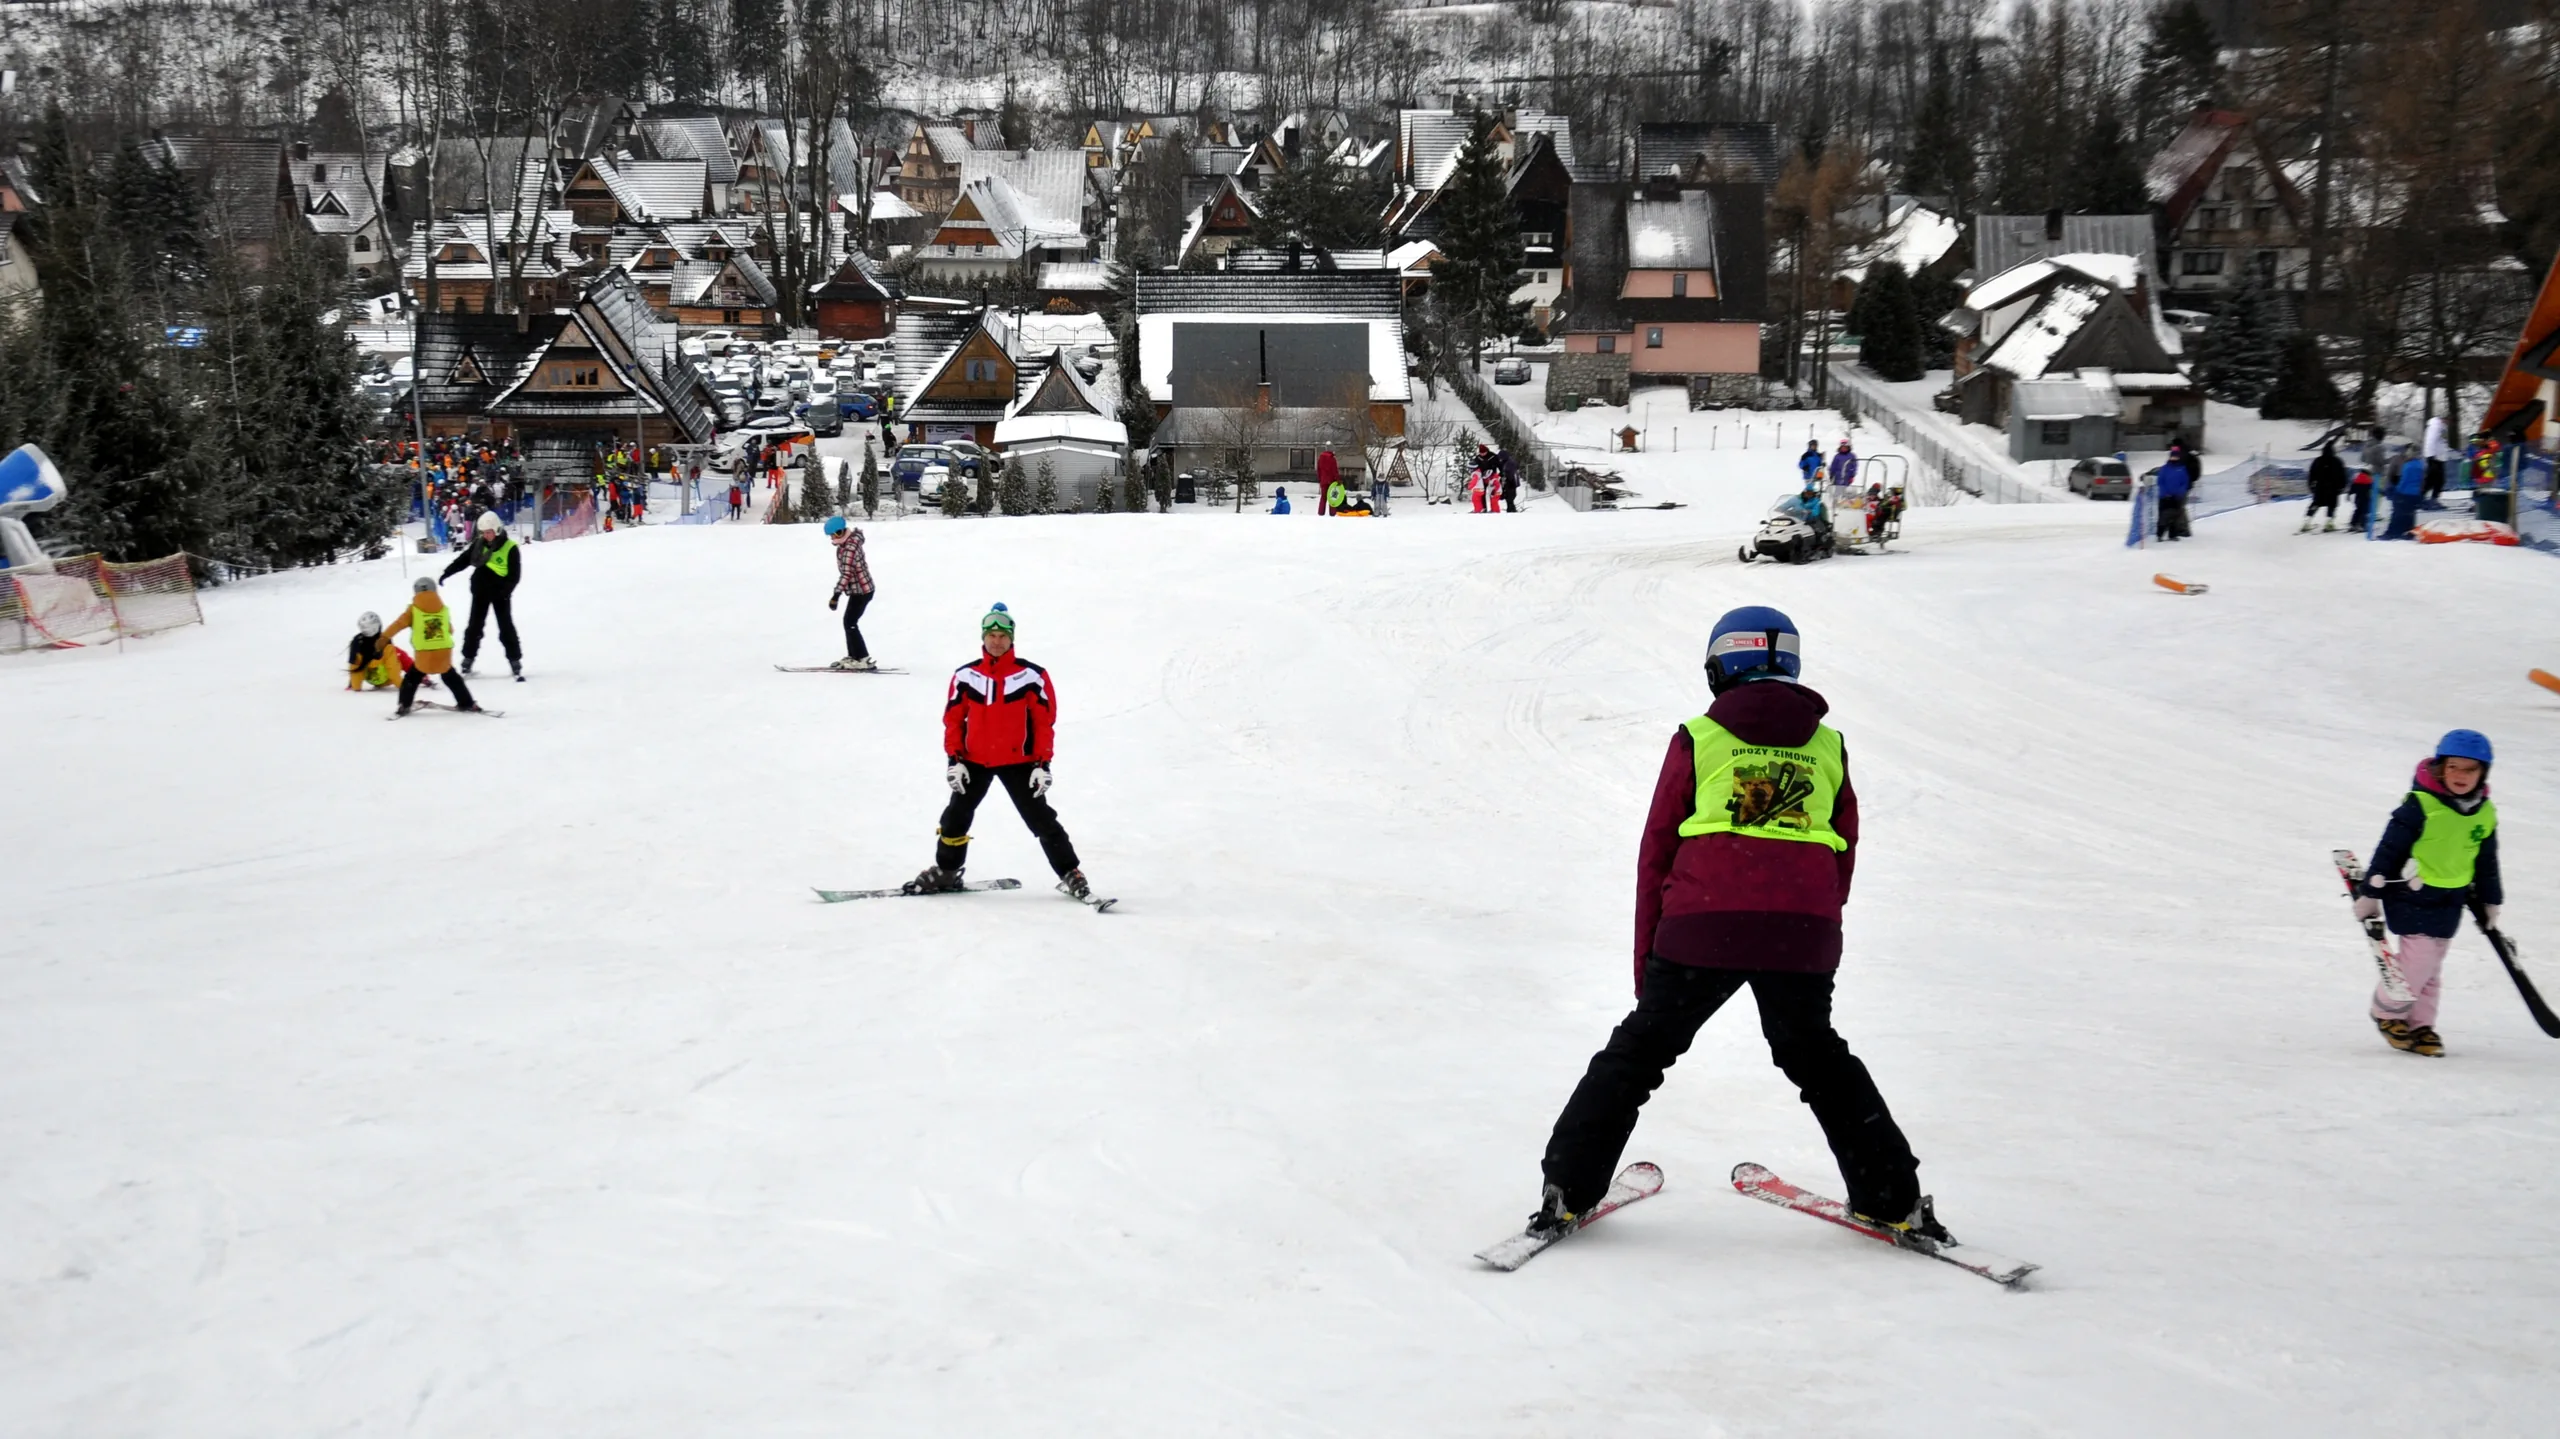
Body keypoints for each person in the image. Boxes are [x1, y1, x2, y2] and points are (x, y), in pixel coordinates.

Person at [1525, 606, 1939, 1241]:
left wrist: (1648, 962)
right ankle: (1890, 1197)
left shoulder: (1701, 736)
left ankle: (1567, 1189)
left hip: (1702, 923)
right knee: (1819, 1059)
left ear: (1723, 665)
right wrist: (1817, 925)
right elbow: (1843, 847)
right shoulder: (1829, 744)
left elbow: (1657, 849)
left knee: (1638, 1053)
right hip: (1801, 930)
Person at [905, 604, 1096, 903]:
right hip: (974, 761)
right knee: (955, 817)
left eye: (1002, 636)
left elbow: (1044, 722)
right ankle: (947, 871)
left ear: (1012, 639)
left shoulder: (1032, 676)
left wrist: (1042, 764)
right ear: (983, 637)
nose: (996, 641)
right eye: (991, 635)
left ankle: (1070, 873)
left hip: (1018, 762)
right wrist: (954, 760)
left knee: (1042, 820)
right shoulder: (966, 675)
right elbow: (953, 720)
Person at [2353, 730, 2502, 1057]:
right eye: (2454, 768)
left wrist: (2491, 899)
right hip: (2410, 892)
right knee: (2418, 960)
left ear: (2483, 773)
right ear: (2440, 767)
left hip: (2451, 898)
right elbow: (2390, 848)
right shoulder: (2420, 804)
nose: (2461, 776)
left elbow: (2486, 860)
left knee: (2432, 966)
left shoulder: (2484, 813)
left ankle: (2421, 1024)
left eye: (2470, 769)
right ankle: (2387, 1011)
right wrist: (2370, 890)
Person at [440, 510, 524, 680]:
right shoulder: (479, 544)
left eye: (489, 532)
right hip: (480, 591)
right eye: (484, 533)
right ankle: (468, 658)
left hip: (500, 594)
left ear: (497, 530)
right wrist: (446, 573)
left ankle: (514, 659)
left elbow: (514, 576)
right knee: (474, 626)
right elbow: (463, 560)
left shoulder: (510, 548)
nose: (486, 536)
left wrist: (504, 592)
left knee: (505, 626)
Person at [381, 577, 482, 715]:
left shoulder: (413, 609)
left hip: (424, 652)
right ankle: (467, 703)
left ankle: (404, 705)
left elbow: (398, 624)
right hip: (444, 650)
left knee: (412, 678)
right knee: (451, 677)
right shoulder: (442, 609)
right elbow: (450, 630)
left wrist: (384, 637)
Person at [826, 515, 876, 671]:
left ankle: (862, 657)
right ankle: (854, 656)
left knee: (850, 622)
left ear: (841, 532)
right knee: (849, 622)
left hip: (862, 590)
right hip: (860, 589)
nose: (833, 538)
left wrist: (836, 595)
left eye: (835, 534)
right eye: (831, 535)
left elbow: (846, 573)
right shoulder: (848, 543)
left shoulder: (849, 548)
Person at [344, 610, 417, 691]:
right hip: (386, 679)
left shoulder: (356, 642)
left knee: (359, 661)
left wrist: (355, 687)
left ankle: (352, 683)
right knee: (400, 654)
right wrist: (403, 686)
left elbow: (354, 666)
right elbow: (393, 670)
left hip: (370, 679)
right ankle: (420, 676)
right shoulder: (385, 642)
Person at [2304, 440, 2347, 532]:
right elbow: (2342, 475)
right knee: (2332, 505)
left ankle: (2307, 521)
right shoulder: (2337, 461)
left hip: (2320, 487)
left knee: (2316, 503)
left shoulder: (2317, 461)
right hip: (2333, 488)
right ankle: (2329, 523)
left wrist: (2311, 486)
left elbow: (2311, 475)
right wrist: (2342, 486)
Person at [2383, 448, 2425, 540]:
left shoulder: (2408, 465)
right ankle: (2409, 531)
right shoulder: (2420, 465)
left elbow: (2404, 480)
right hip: (2415, 493)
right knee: (2410, 513)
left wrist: (2397, 491)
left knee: (2397, 513)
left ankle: (2392, 532)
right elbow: (2422, 480)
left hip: (2405, 492)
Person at [2352, 427, 2385, 533]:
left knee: (2366, 496)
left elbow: (2361, 458)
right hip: (2377, 472)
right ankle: (2371, 515)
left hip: (2365, 472)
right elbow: (2381, 461)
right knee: (2377, 495)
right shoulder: (2380, 446)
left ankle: (2362, 516)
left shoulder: (2366, 445)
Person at [2155, 454, 2193, 541]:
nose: (2174, 458)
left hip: (2177, 497)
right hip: (2164, 497)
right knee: (2163, 516)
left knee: (2175, 516)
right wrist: (2166, 493)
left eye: (2176, 457)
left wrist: (2179, 493)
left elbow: (2185, 482)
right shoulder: (2164, 469)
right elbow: (2160, 482)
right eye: (2173, 457)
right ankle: (2159, 535)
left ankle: (2173, 535)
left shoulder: (2182, 469)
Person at [2421, 415, 2450, 502]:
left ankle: (2433, 499)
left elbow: (2442, 443)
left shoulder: (2441, 427)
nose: (2449, 422)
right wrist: (2431, 455)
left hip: (2439, 457)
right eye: (2448, 420)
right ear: (2443, 419)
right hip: (2434, 457)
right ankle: (2421, 498)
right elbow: (2431, 441)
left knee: (2439, 480)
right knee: (2432, 479)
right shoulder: (2435, 426)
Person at [1316, 446, 1341, 516]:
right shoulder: (1332, 459)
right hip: (1331, 481)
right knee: (1332, 497)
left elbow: (1318, 470)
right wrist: (1338, 479)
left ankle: (1321, 512)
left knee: (1323, 497)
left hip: (1323, 481)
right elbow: (1334, 471)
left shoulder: (1320, 458)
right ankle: (1332, 513)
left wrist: (1320, 479)